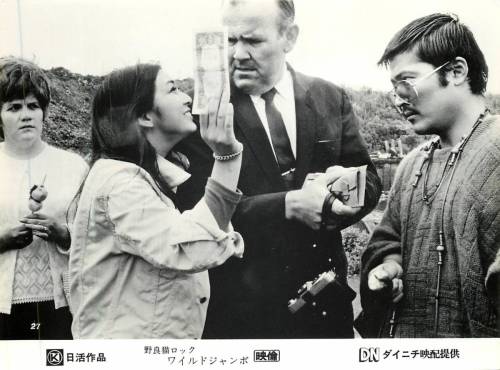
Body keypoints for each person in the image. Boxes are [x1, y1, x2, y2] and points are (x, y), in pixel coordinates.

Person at [176, 0, 381, 338]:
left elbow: (368, 177)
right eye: (230, 40)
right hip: (242, 316)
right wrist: (288, 206)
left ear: (289, 37)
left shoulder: (330, 97)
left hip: (324, 309)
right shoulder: (202, 111)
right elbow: (194, 209)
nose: (238, 54)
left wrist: (348, 190)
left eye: (252, 41)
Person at [68, 63, 244, 339]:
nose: (187, 97)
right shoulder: (121, 185)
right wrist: (228, 157)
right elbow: (193, 248)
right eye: (172, 89)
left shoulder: (138, 178)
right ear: (146, 116)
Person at [358, 13, 500, 338]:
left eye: (406, 83)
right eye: (394, 90)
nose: (399, 100)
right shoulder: (411, 164)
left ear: (456, 71)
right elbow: (387, 238)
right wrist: (388, 265)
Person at [0, 57, 88, 339]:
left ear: (44, 112)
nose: (26, 115)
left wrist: (63, 234)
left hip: (62, 305)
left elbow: (95, 237)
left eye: (33, 106)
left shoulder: (73, 167)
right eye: (14, 107)